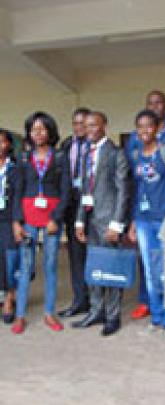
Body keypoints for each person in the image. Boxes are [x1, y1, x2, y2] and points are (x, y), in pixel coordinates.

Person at [127, 109, 165, 343]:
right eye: (140, 127)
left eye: (149, 126)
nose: (144, 131)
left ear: (157, 129)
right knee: (151, 274)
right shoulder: (135, 155)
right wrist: (132, 220)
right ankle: (156, 319)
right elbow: (136, 190)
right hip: (143, 220)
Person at [12, 111, 71, 334]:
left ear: (50, 131)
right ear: (29, 132)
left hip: (51, 217)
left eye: (42, 128)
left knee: (50, 265)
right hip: (28, 216)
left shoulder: (60, 157)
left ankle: (49, 313)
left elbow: (65, 190)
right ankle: (20, 316)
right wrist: (17, 222)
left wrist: (56, 218)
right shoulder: (23, 158)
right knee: (26, 266)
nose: (38, 133)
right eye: (33, 129)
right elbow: (17, 190)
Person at [72, 111, 131, 336]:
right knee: (95, 269)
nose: (89, 131)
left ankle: (113, 316)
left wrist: (117, 224)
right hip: (90, 221)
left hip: (109, 222)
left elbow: (123, 191)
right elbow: (84, 190)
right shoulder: (86, 153)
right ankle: (96, 311)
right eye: (86, 127)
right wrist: (79, 220)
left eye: (93, 126)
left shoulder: (117, 153)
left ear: (104, 126)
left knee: (112, 269)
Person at [58, 107, 92, 318]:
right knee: (76, 256)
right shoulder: (66, 145)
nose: (79, 127)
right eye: (76, 123)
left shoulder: (98, 146)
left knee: (95, 255)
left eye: (83, 123)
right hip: (71, 208)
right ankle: (80, 301)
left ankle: (99, 303)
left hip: (93, 209)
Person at [0, 129, 18, 324]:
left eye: (1, 142)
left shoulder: (14, 169)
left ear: (8, 145)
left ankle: (9, 299)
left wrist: (17, 222)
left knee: (9, 260)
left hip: (8, 219)